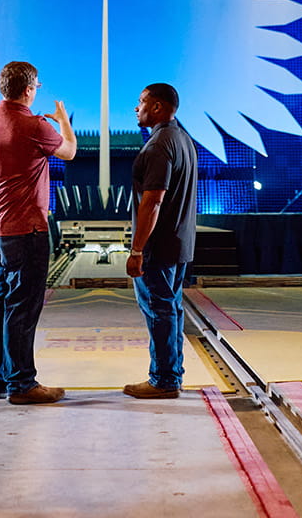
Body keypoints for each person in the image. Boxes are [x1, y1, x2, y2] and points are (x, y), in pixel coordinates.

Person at [0, 60, 76, 405]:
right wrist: (63, 121)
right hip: (26, 230)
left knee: (0, 306)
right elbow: (70, 151)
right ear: (30, 89)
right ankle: (22, 384)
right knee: (23, 308)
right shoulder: (34, 124)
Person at [122, 82, 198, 400]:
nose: (136, 108)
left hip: (158, 246)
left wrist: (137, 249)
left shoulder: (158, 145)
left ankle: (164, 380)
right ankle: (171, 374)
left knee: (159, 310)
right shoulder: (183, 139)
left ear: (157, 107)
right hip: (179, 244)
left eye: (141, 102)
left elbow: (152, 201)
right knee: (171, 309)